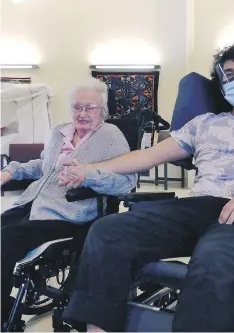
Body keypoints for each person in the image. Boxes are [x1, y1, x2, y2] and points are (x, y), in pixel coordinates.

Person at [61, 44, 234, 332]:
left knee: (213, 262)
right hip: (198, 205)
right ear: (220, 84)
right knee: (107, 230)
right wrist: (88, 170)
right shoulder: (203, 124)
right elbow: (145, 157)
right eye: (229, 74)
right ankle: (99, 328)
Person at [0, 78, 137, 327]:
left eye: (90, 108)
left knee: (4, 243)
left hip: (68, 213)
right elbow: (44, 166)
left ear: (103, 110)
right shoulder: (59, 132)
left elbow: (127, 180)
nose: (82, 114)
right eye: (77, 107)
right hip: (31, 205)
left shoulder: (110, 136)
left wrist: (88, 175)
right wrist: (11, 171)